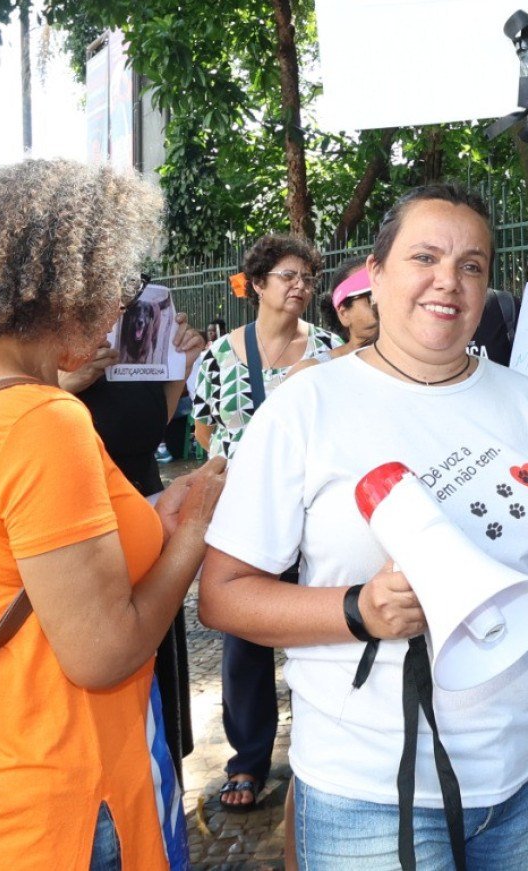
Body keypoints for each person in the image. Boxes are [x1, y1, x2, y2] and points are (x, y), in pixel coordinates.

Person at [197, 183, 528, 870]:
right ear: (378, 274)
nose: (448, 280)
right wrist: (358, 610)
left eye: (472, 264)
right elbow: (223, 594)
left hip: (526, 773)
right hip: (368, 792)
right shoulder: (306, 407)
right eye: (425, 256)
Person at [0, 160, 226, 869]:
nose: (117, 312)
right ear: (67, 284)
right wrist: (191, 537)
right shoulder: (40, 417)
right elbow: (104, 652)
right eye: (115, 285)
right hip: (60, 801)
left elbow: (15, 564)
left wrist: (151, 516)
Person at [187, 234, 342, 811]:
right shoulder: (218, 357)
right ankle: (247, 761)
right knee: (244, 637)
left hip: (313, 512)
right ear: (257, 284)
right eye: (288, 275)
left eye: (307, 277)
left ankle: (321, 755)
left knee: (319, 632)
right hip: (243, 518)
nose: (300, 285)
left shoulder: (328, 351)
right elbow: (205, 435)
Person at [60, 295, 211, 785]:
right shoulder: (41, 351)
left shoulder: (133, 335)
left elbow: (144, 434)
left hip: (146, 527)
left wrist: (178, 367)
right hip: (78, 536)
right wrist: (63, 386)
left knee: (157, 722)